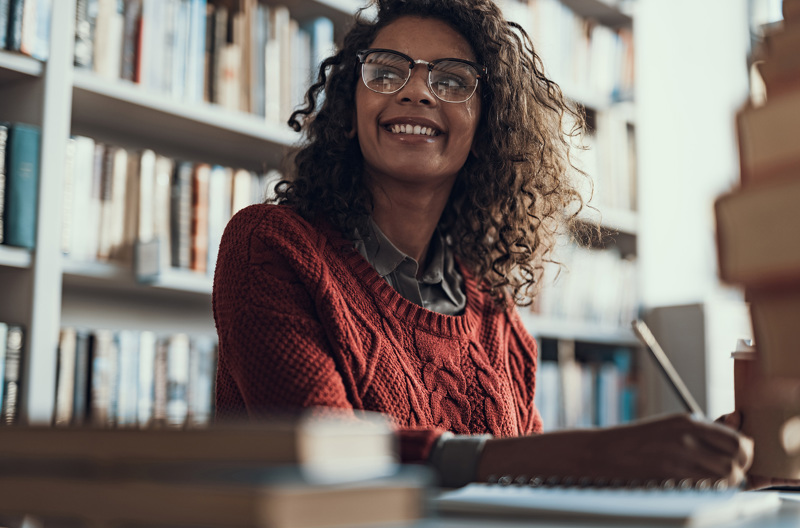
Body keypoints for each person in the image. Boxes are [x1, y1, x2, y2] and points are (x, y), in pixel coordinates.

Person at [213, 0, 753, 488]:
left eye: (451, 81)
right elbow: (322, 456)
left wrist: (681, 466)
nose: (416, 90)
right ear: (349, 111)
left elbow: (531, 488)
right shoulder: (269, 246)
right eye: (386, 72)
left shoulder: (495, 314)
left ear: (486, 126)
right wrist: (596, 450)